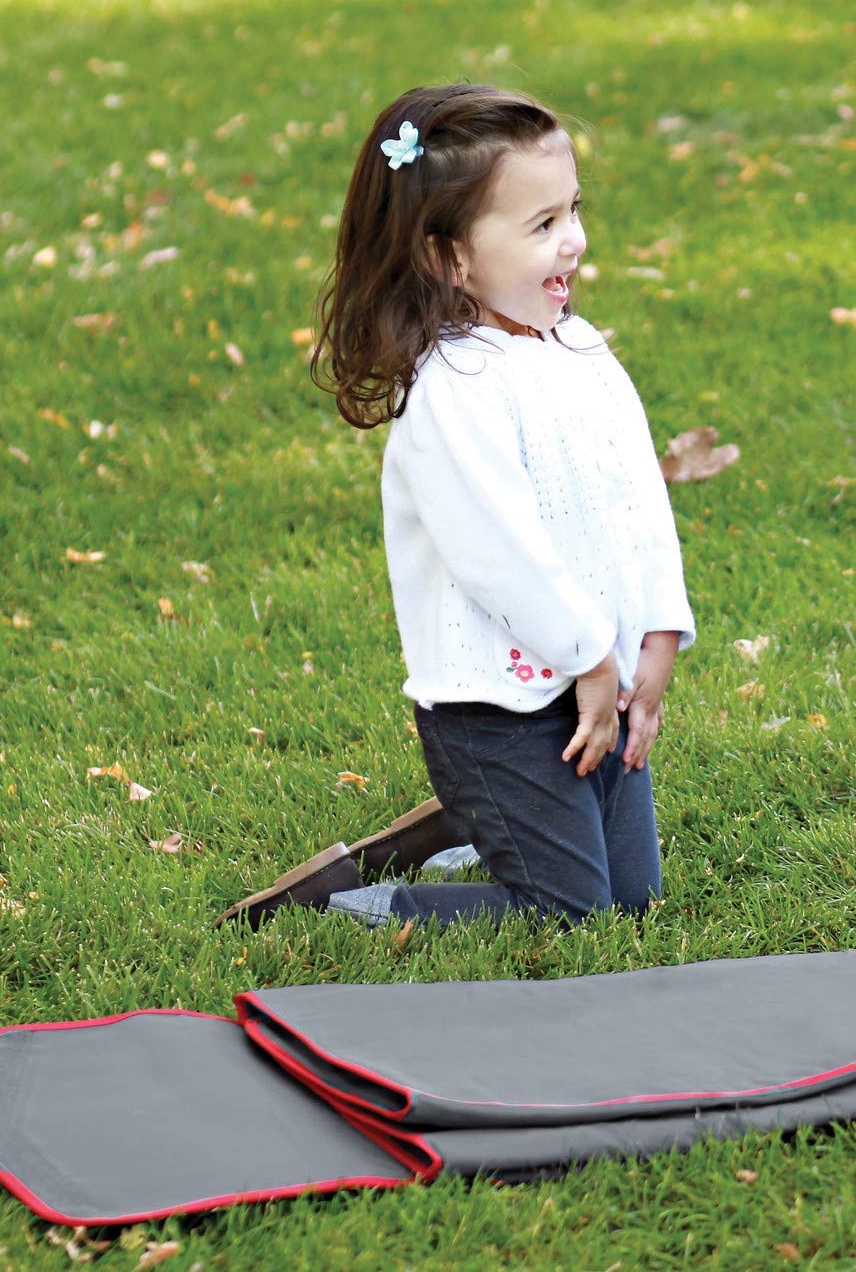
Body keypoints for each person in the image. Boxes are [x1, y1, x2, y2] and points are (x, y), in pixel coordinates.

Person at [220, 83, 695, 929]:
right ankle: (360, 900)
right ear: (448, 257)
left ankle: (483, 831)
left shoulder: (581, 350)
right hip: (498, 709)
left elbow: (639, 502)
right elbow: (499, 556)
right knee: (568, 912)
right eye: (542, 225)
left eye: (574, 210)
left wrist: (657, 630)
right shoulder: (453, 389)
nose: (575, 240)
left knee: (633, 901)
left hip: (600, 681)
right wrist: (591, 656)